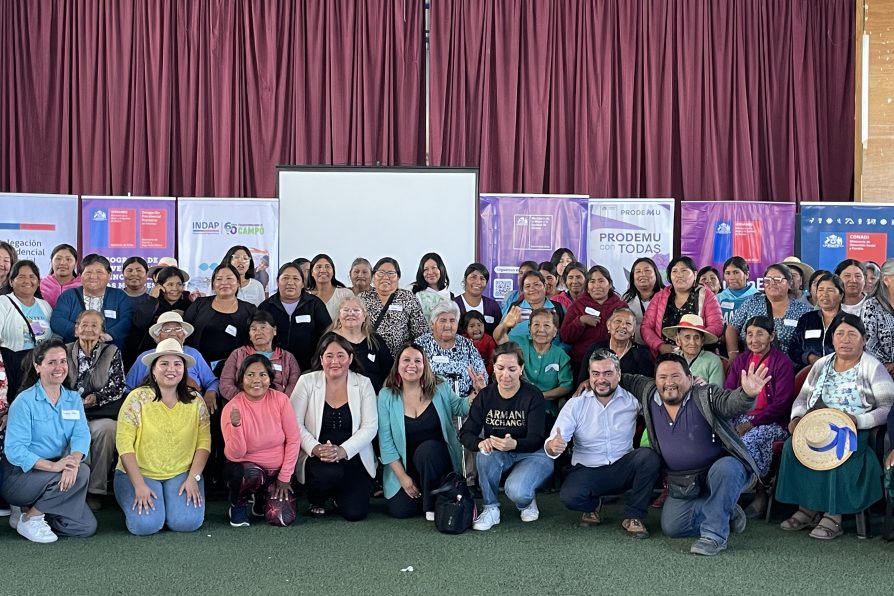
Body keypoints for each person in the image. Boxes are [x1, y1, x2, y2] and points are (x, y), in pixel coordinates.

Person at [620, 353, 771, 555]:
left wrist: (747, 394)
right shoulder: (648, 391)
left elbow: (730, 403)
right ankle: (726, 510)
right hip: (685, 482)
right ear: (655, 380)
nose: (669, 383)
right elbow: (620, 377)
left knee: (726, 468)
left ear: (690, 378)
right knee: (673, 528)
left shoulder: (706, 394)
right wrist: (591, 379)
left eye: (676, 376)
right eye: (662, 377)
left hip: (722, 471)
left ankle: (714, 536)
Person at [776, 314, 894, 539]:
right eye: (840, 334)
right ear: (833, 339)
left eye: (852, 334)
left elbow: (887, 407)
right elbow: (802, 399)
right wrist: (798, 418)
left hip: (855, 426)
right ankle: (807, 508)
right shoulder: (822, 364)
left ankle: (834, 514)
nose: (845, 339)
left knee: (838, 448)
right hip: (818, 423)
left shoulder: (872, 367)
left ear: (864, 339)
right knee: (794, 447)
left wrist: (857, 420)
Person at [546, 350, 661, 538]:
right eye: (596, 374)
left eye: (608, 373)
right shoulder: (576, 404)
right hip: (588, 469)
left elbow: (663, 405)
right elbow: (554, 440)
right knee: (570, 496)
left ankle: (633, 516)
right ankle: (593, 506)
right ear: (589, 376)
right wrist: (554, 446)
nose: (601, 379)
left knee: (648, 458)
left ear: (619, 375)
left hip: (623, 467)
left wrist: (693, 385)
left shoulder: (632, 401)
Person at [0, 338, 96, 542]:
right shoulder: (24, 402)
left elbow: (81, 434)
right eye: (51, 362)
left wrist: (72, 462)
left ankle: (37, 510)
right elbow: (15, 450)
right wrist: (55, 467)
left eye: (63, 361)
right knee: (82, 474)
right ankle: (31, 518)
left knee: (86, 527)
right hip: (21, 475)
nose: (59, 367)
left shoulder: (72, 399)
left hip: (58, 471)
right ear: (38, 366)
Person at [114, 338, 211, 535]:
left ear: (184, 369)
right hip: (140, 472)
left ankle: (169, 506)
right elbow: (124, 443)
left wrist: (194, 477)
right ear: (153, 370)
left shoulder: (196, 401)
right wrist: (139, 485)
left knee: (187, 523)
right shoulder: (137, 398)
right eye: (164, 364)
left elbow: (204, 442)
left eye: (177, 364)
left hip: (181, 472)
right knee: (145, 525)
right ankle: (154, 504)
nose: (171, 369)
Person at [459, 343, 554, 530]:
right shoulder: (485, 395)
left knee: (517, 491)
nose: (506, 374)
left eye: (512, 369)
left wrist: (514, 444)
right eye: (500, 368)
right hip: (499, 452)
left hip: (533, 453)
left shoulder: (533, 395)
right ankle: (491, 507)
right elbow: (465, 433)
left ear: (521, 369)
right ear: (493, 368)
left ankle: (526, 501)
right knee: (484, 453)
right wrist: (481, 442)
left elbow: (537, 437)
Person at [378, 344, 470, 519]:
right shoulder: (386, 396)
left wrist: (476, 394)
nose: (412, 365)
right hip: (405, 467)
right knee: (402, 511)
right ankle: (429, 496)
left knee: (427, 450)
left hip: (437, 462)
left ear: (424, 365)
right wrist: (403, 478)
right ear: (397, 365)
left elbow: (459, 407)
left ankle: (431, 507)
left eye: (417, 361)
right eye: (406, 360)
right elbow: (386, 442)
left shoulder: (440, 387)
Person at [291, 333, 377, 520]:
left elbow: (370, 427)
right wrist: (316, 448)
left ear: (350, 358)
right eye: (329, 356)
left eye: (340, 356)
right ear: (321, 359)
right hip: (317, 457)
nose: (335, 361)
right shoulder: (307, 381)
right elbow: (293, 423)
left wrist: (343, 451)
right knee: (327, 474)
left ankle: (338, 495)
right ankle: (318, 498)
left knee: (356, 513)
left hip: (353, 457)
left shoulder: (363, 384)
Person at [724, 315, 795, 517]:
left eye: (760, 334)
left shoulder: (783, 363)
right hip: (741, 417)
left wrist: (752, 423)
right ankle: (725, 492)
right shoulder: (741, 361)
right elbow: (728, 392)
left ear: (772, 336)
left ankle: (759, 493)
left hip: (771, 421)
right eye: (749, 334)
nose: (754, 339)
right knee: (720, 436)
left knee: (747, 441)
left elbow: (782, 404)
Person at [221, 354, 300, 527]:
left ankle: (261, 501)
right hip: (247, 470)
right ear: (241, 379)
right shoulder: (232, 408)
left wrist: (285, 477)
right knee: (250, 474)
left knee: (282, 518)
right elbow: (235, 454)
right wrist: (236, 426)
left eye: (262, 375)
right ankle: (238, 504)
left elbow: (294, 439)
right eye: (250, 375)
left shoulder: (281, 400)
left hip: (277, 473)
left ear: (270, 378)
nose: (257, 380)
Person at [64, 310, 127, 510]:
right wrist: (74, 400)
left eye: (94, 325)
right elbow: (54, 382)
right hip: (69, 413)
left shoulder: (112, 351)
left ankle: (95, 490)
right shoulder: (63, 352)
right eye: (84, 324)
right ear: (76, 330)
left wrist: (96, 398)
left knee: (107, 429)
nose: (88, 329)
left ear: (101, 331)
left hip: (99, 412)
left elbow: (118, 386)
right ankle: (68, 488)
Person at [125, 312, 220, 411]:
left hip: (189, 408)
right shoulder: (145, 357)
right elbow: (127, 388)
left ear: (183, 335)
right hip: (151, 409)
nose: (173, 333)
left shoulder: (193, 354)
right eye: (166, 329)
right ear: (157, 336)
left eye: (178, 329)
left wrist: (211, 392)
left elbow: (212, 382)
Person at [184, 262, 258, 379]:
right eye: (219, 279)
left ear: (238, 283)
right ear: (213, 284)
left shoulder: (250, 310)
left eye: (229, 278)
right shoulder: (199, 305)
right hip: (200, 370)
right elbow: (185, 333)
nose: (224, 283)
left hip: (237, 371)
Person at [725, 263, 812, 360]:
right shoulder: (752, 302)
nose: (772, 283)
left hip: (787, 368)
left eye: (778, 279)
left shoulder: (802, 310)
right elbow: (732, 328)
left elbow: (807, 344)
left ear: (790, 283)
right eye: (768, 280)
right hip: (751, 364)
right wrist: (733, 354)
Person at [502, 308, 573, 427]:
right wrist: (505, 325)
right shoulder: (520, 344)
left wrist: (540, 396)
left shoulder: (561, 355)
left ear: (555, 331)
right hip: (515, 406)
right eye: (536, 325)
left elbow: (566, 386)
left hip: (545, 409)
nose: (541, 330)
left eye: (546, 325)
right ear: (529, 328)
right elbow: (499, 338)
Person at [641, 256, 722, 358]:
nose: (679, 275)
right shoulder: (660, 296)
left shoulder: (706, 295)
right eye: (674, 271)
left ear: (695, 274)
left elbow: (717, 325)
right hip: (665, 356)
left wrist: (691, 344)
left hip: (699, 356)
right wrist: (660, 346)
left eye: (684, 270)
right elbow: (646, 327)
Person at [258, 263, 331, 373]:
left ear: (302, 284)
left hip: (309, 368)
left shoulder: (314, 304)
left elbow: (327, 334)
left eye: (296, 278)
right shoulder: (266, 306)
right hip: (274, 369)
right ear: (278, 282)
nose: (290, 283)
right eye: (285, 278)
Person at [51, 254, 132, 349]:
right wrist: (80, 331)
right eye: (88, 272)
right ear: (80, 276)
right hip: (73, 354)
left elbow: (127, 321)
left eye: (99, 272)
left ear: (109, 275)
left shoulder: (119, 296)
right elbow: (57, 320)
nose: (93, 276)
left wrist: (108, 335)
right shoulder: (68, 296)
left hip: (110, 353)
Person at [219, 311, 300, 401]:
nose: (258, 332)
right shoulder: (238, 354)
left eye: (263, 327)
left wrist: (279, 402)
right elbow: (225, 384)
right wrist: (246, 400)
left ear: (274, 330)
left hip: (278, 407)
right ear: (249, 335)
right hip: (244, 406)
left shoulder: (287, 357)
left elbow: (295, 385)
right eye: (253, 329)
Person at [415, 301, 488, 399]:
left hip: (463, 403)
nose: (448, 325)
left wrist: (475, 390)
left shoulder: (467, 345)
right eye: (443, 320)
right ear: (432, 324)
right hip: (428, 402)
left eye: (452, 320)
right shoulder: (421, 344)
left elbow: (482, 376)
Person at [559, 265, 627, 366]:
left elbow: (628, 332)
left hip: (614, 361)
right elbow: (565, 336)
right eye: (592, 281)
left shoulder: (620, 306)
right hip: (582, 362)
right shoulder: (578, 305)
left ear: (609, 284)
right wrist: (580, 321)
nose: (596, 286)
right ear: (587, 287)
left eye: (601, 281)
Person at [359, 257, 428, 356]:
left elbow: (421, 333)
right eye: (381, 273)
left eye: (391, 273)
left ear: (398, 278)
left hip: (399, 361)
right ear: (373, 276)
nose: (386, 277)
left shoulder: (407, 297)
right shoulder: (363, 298)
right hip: (369, 357)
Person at [129, 264, 194, 364]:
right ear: (160, 286)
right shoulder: (149, 302)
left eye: (179, 284)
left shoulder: (189, 304)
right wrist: (152, 299)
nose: (175, 289)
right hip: (150, 353)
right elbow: (139, 323)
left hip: (181, 354)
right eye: (170, 284)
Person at [328, 294, 394, 393]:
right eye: (345, 310)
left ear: (364, 317)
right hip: (339, 398)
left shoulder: (375, 341)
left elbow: (389, 372)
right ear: (339, 316)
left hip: (373, 398)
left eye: (356, 310)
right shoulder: (330, 340)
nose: (351, 313)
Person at [578, 308, 654, 381]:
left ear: (633, 330)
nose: (623, 326)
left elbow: (645, 385)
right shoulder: (595, 348)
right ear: (608, 325)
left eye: (628, 323)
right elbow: (582, 380)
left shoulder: (642, 353)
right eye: (618, 321)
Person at [788, 273, 844, 369]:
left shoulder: (848, 321)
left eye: (830, 290)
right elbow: (793, 349)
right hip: (808, 374)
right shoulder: (806, 319)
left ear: (841, 295)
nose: (824, 294)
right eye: (820, 290)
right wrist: (809, 357)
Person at [0, 261, 53, 360]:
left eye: (32, 277)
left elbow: (53, 337)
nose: (27, 281)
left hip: (40, 365)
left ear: (38, 282)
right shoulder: (3, 303)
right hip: (13, 365)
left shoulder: (45, 305)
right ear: (11, 282)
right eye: (21, 277)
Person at [496, 271, 566, 346]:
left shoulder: (558, 308)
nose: (532, 289)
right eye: (527, 286)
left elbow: (567, 336)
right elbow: (498, 336)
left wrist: (559, 352)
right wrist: (505, 325)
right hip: (518, 355)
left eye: (536, 285)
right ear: (523, 290)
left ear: (545, 286)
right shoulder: (515, 308)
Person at [662, 314, 724, 385]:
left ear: (702, 341)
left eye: (696, 337)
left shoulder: (713, 361)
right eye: (687, 337)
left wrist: (706, 388)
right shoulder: (670, 359)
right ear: (678, 340)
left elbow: (718, 394)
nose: (692, 342)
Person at [622, 257, 665, 345]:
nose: (642, 274)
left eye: (647, 270)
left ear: (656, 274)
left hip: (661, 348)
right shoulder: (626, 298)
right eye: (638, 271)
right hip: (634, 349)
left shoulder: (666, 296)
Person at [863, 258, 894, 375]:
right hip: (879, 371)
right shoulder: (871, 306)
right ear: (886, 280)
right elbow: (869, 342)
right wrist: (888, 365)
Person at [453, 263, 503, 335]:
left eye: (482, 278)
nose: (478, 282)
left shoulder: (492, 306)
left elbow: (499, 334)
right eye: (473, 277)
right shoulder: (453, 305)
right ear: (465, 280)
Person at [306, 253, 354, 321]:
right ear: (312, 273)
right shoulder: (305, 297)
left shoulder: (345, 294)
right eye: (318, 267)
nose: (323, 270)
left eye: (327, 266)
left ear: (333, 272)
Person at [411, 252, 453, 322]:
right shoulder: (413, 291)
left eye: (434, 268)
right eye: (426, 269)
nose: (430, 272)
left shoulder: (450, 296)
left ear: (441, 269)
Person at [716, 257, 758, 326]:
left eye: (736, 272)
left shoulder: (758, 297)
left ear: (747, 274)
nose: (731, 277)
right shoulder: (718, 298)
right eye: (728, 273)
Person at [39, 244, 81, 308]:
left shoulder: (82, 286)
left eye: (68, 259)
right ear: (51, 261)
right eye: (58, 259)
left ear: (75, 263)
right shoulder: (40, 284)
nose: (62, 263)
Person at [461, 311, 496, 376]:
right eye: (471, 326)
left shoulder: (489, 340)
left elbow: (492, 360)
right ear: (465, 329)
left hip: (484, 374)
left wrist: (486, 375)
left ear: (484, 326)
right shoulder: (462, 340)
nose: (476, 329)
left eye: (479, 325)